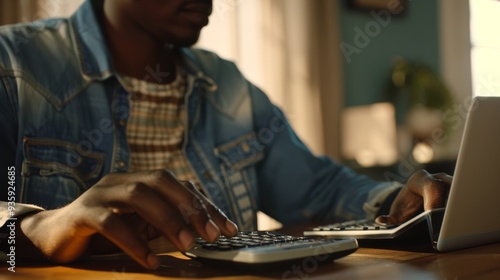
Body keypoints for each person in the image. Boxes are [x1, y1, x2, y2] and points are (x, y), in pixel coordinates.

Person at [0, 0, 452, 270]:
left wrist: (395, 202)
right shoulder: (14, 67)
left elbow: (319, 188)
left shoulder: (228, 86)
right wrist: (42, 227)